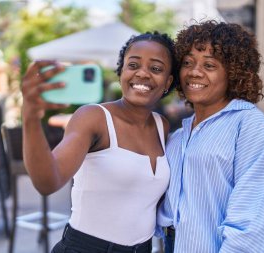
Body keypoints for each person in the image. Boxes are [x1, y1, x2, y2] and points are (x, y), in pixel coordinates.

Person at [21, 31, 177, 253]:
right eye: (133, 65)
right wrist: (30, 119)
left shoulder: (162, 126)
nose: (142, 73)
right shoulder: (93, 117)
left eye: (156, 69)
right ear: (121, 71)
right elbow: (47, 181)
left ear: (168, 82)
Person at [157, 20, 264, 253]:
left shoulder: (247, 123)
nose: (195, 71)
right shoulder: (180, 134)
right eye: (187, 62)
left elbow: (257, 215)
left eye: (210, 65)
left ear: (233, 73)